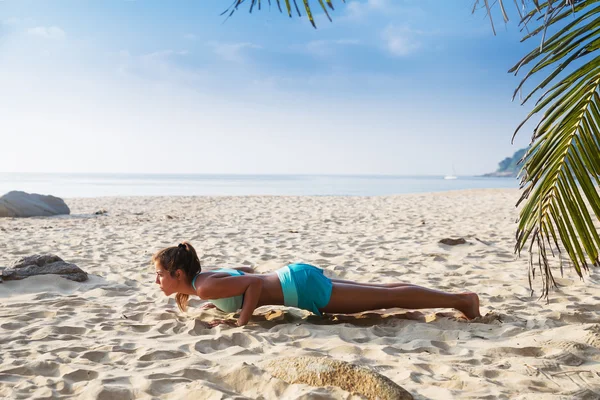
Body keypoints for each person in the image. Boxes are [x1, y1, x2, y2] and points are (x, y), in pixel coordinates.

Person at [153, 242, 481, 327]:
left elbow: (251, 283)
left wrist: (241, 320)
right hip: (293, 275)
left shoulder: (206, 286)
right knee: (383, 291)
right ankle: (458, 299)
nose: (157, 280)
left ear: (177, 274)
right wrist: (228, 301)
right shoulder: (205, 281)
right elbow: (243, 271)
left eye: (159, 274)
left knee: (383, 298)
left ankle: (462, 300)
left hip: (302, 290)